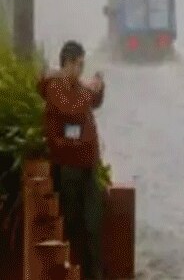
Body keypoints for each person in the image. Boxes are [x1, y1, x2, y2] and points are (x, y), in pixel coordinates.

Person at [38, 40, 106, 280]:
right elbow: (72, 110)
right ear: (67, 64)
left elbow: (93, 101)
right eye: (78, 65)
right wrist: (89, 93)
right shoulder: (56, 87)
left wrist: (97, 88)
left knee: (93, 224)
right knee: (74, 224)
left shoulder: (78, 86)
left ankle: (92, 275)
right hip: (68, 167)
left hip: (86, 164)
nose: (81, 71)